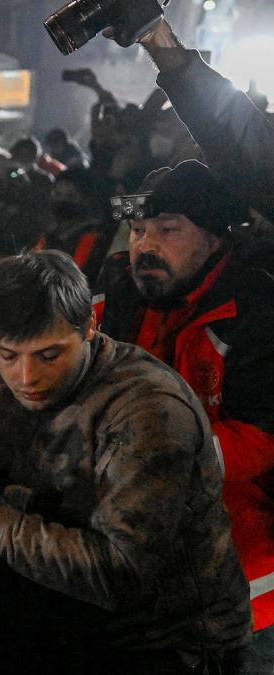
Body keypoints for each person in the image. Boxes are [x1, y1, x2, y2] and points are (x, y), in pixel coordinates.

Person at [0, 250, 251, 672]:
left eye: (49, 355)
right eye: (8, 355)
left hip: (172, 643)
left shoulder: (149, 413)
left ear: (89, 325)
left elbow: (123, 573)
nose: (26, 377)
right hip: (78, 621)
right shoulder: (13, 394)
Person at [94, 159, 274, 666]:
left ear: (215, 238)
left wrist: (162, 453)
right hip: (140, 570)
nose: (145, 245)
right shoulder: (118, 297)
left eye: (168, 229)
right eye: (136, 230)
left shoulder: (257, 312)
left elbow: (263, 437)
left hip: (248, 581)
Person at [136, 18, 274, 220]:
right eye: (140, 232)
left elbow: (232, 133)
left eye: (168, 230)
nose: (147, 242)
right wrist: (156, 37)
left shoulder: (209, 198)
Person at [37, 167, 118, 281]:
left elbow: (79, 276)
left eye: (71, 196)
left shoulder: (92, 235)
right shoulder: (52, 229)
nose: (62, 200)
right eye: (57, 194)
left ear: (85, 199)